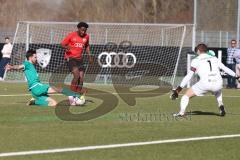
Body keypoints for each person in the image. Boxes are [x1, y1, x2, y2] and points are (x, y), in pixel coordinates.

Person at [170, 43, 240, 117]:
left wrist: (178, 89)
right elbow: (225, 68)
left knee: (186, 96)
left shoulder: (196, 60)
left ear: (199, 50)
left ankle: (181, 112)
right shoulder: (214, 58)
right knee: (217, 90)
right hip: (218, 83)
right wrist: (237, 76)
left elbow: (189, 75)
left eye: (197, 50)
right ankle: (220, 104)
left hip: (205, 83)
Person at [5, 50, 79, 107]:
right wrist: (11, 67)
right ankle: (77, 95)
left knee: (53, 103)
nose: (36, 59)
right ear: (30, 58)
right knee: (58, 89)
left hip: (35, 92)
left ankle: (34, 102)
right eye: (35, 57)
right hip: (37, 87)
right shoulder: (27, 63)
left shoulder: (30, 65)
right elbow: (19, 67)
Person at [61, 22, 93, 95]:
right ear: (78, 29)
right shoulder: (71, 35)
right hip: (70, 58)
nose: (83, 32)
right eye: (82, 30)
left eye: (85, 30)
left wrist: (90, 57)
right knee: (76, 75)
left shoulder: (86, 37)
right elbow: (62, 44)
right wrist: (66, 47)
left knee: (81, 78)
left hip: (79, 59)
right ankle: (72, 94)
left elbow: (87, 46)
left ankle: (77, 94)